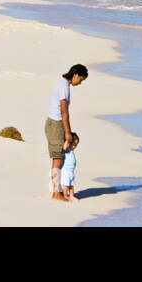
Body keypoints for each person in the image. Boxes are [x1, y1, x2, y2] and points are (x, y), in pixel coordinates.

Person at [47, 64, 87, 201]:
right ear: (75, 75)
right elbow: (64, 111)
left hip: (55, 124)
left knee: (59, 158)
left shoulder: (63, 84)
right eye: (81, 80)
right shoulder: (64, 86)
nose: (80, 83)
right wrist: (68, 132)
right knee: (58, 158)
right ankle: (56, 193)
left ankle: (57, 191)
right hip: (55, 124)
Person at [60, 132, 80, 202]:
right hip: (65, 170)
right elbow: (66, 144)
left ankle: (71, 196)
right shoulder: (66, 149)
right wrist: (68, 140)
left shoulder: (71, 150)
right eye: (74, 144)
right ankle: (65, 196)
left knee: (71, 185)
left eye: (76, 145)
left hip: (71, 171)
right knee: (65, 185)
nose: (75, 146)